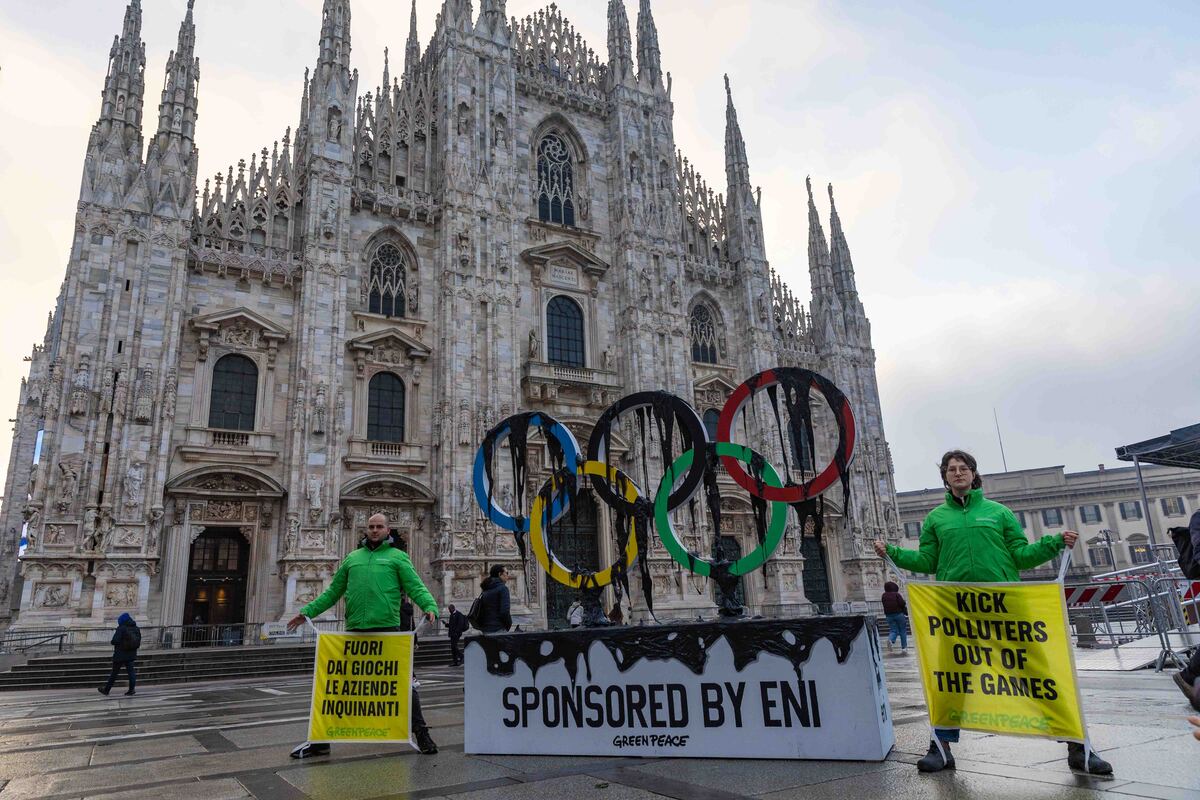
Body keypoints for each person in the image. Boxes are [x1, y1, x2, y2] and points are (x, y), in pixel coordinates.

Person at [874, 449, 1112, 776]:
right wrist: (894, 553)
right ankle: (940, 747)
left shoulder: (998, 513)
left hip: (1003, 604)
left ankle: (1078, 745)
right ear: (945, 477)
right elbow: (927, 562)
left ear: (973, 474)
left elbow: (1021, 555)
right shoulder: (936, 519)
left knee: (1038, 675)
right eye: (951, 469)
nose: (958, 473)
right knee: (950, 678)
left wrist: (1054, 543)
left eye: (963, 468)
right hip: (957, 608)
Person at [286, 513, 439, 758]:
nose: (375, 530)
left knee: (403, 684)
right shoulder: (352, 558)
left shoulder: (398, 557)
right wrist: (306, 612)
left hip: (387, 630)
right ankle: (320, 740)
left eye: (379, 527)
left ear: (388, 530)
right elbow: (333, 592)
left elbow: (415, 586)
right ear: (366, 530)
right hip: (356, 630)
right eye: (371, 527)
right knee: (336, 687)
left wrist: (430, 606)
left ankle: (422, 733)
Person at [98, 612, 140, 696]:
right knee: (131, 672)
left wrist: (114, 642)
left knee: (114, 673)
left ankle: (106, 690)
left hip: (120, 654)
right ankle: (131, 690)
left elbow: (115, 640)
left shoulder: (121, 628)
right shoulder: (136, 628)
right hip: (131, 654)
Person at [475, 564, 512, 634]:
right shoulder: (503, 589)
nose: (508, 575)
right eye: (506, 573)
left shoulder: (486, 588)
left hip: (486, 630)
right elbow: (505, 611)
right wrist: (507, 626)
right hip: (498, 629)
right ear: (500, 574)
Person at [880, 581, 908, 652]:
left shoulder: (883, 595)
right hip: (899, 614)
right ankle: (904, 647)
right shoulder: (896, 594)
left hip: (889, 616)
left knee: (893, 630)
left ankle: (891, 640)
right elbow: (902, 603)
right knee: (902, 631)